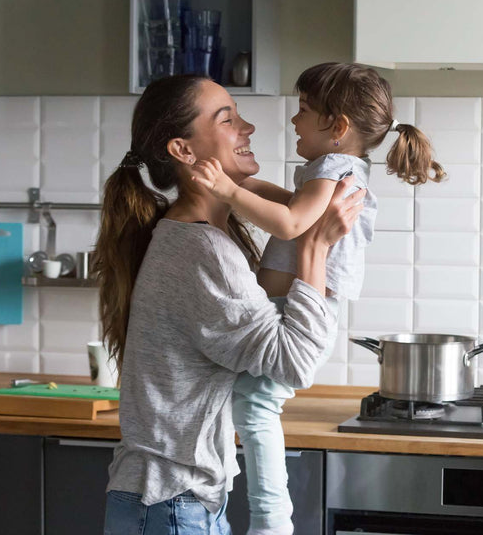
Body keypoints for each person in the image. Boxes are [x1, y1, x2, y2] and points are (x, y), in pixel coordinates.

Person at [95, 73, 366, 535]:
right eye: (228, 119)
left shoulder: (205, 236)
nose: (248, 128)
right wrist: (316, 247)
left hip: (175, 501)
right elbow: (294, 363)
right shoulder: (203, 251)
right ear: (184, 151)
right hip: (171, 504)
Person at [192, 62, 446, 535]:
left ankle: (271, 519)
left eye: (304, 110)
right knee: (249, 403)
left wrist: (227, 187)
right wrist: (241, 184)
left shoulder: (334, 168)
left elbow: (291, 225)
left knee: (255, 407)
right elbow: (294, 208)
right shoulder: (334, 168)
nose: (293, 120)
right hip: (290, 309)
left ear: (338, 127)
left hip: (299, 312)